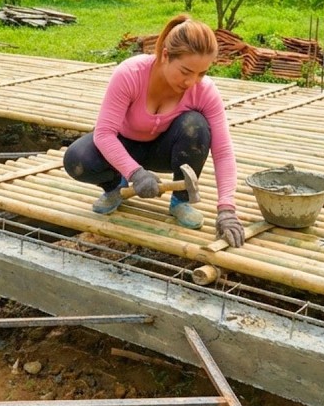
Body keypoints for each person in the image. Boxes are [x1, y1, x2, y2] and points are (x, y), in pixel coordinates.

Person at [64, 14, 246, 247]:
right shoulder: (131, 74)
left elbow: (223, 151)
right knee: (77, 159)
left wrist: (227, 209)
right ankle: (115, 187)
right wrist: (134, 174)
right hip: (124, 147)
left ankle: (180, 201)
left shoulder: (204, 91)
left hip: (165, 151)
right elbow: (104, 134)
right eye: (186, 71)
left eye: (201, 73)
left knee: (196, 126)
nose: (192, 82)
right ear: (165, 55)